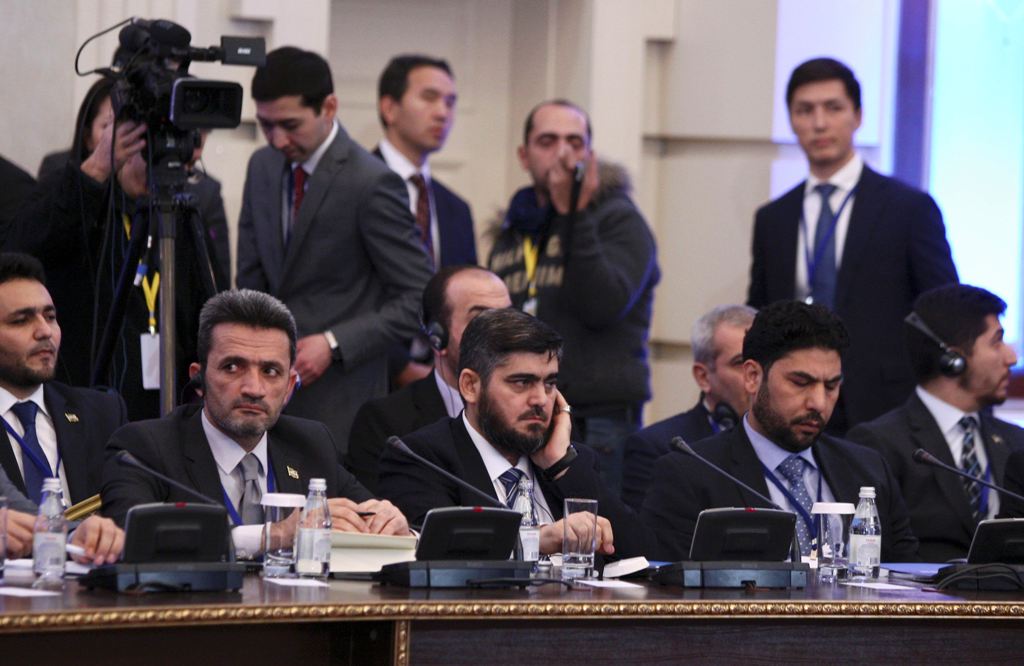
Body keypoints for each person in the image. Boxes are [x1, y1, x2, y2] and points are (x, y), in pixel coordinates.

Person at [101, 289, 410, 559]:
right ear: (199, 379)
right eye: (232, 367)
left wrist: (392, 526)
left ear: (289, 387)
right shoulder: (144, 450)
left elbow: (370, 520)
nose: (253, 387)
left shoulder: (310, 444)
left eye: (270, 371)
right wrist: (272, 535)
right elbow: (130, 541)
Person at [236, 47, 433, 457]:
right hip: (259, 401)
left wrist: (333, 343)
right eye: (266, 125)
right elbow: (250, 281)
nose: (277, 139)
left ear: (329, 107)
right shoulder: (262, 167)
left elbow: (419, 298)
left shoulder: (372, 182)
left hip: (339, 406)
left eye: (290, 125)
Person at [747, 57, 958, 434]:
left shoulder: (907, 208)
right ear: (791, 120)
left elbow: (944, 313)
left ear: (857, 116)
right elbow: (760, 312)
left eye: (833, 108)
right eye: (805, 110)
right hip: (794, 407)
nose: (819, 123)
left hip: (884, 406)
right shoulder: (773, 218)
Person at [5, 77, 219, 418]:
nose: (132, 140)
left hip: (168, 405)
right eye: (117, 126)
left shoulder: (179, 211)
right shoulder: (71, 198)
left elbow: (212, 309)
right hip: (85, 399)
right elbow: (22, 249)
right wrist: (98, 168)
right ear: (92, 135)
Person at [641, 300, 918, 562]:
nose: (818, 403)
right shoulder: (691, 475)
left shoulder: (869, 469)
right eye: (800, 382)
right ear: (753, 377)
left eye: (831, 386)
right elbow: (671, 592)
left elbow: (906, 578)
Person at [488, 99, 659, 497]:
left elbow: (604, 304)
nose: (563, 154)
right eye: (548, 141)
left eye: (574, 142)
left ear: (591, 157)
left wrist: (573, 215)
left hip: (597, 421)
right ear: (524, 155)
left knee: (596, 542)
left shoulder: (619, 220)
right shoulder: (514, 231)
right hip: (520, 415)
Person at [377, 307, 648, 558]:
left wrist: (560, 466)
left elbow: (640, 554)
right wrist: (537, 540)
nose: (541, 399)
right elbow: (440, 551)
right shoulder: (423, 459)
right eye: (522, 382)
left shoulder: (571, 463)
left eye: (550, 383)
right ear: (470, 386)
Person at [847, 284, 1024, 562]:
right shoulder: (879, 444)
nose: (1011, 357)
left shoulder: (1016, 442)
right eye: (996, 342)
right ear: (952, 358)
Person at [347, 265, 511, 493]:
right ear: (437, 337)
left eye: (508, 319)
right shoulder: (385, 423)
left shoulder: (542, 414)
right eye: (480, 320)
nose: (503, 335)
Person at [0, 253, 127, 507]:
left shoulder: (102, 414)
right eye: (21, 321)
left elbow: (127, 511)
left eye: (50, 317)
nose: (45, 331)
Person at [621, 304, 756, 511]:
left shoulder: (790, 442)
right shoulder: (658, 448)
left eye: (761, 363)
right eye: (740, 363)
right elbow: (645, 540)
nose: (755, 377)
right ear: (703, 376)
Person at [375, 54, 476, 268]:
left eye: (450, 103)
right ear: (389, 109)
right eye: (429, 98)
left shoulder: (457, 210)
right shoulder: (350, 186)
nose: (443, 113)